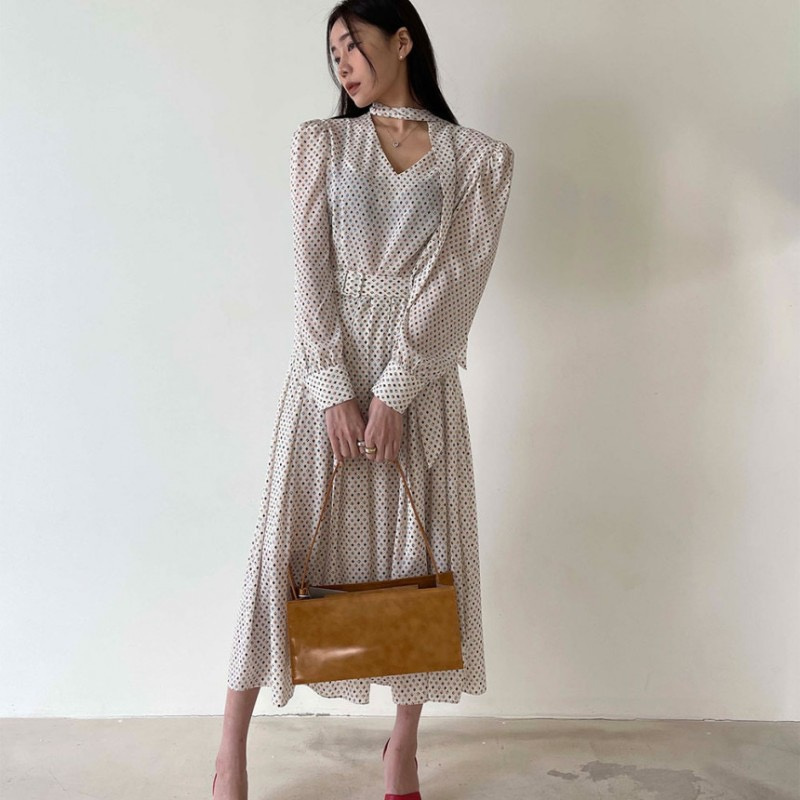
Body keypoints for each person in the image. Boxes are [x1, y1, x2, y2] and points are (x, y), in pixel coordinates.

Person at [212, 1, 515, 798]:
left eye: (353, 44)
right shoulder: (323, 144)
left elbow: (458, 280)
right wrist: (333, 386)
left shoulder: (477, 161)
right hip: (329, 373)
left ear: (403, 40)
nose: (342, 63)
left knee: (421, 559)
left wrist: (397, 389)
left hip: (422, 379)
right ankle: (229, 752)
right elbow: (309, 268)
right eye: (333, 53)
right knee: (279, 548)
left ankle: (402, 748)